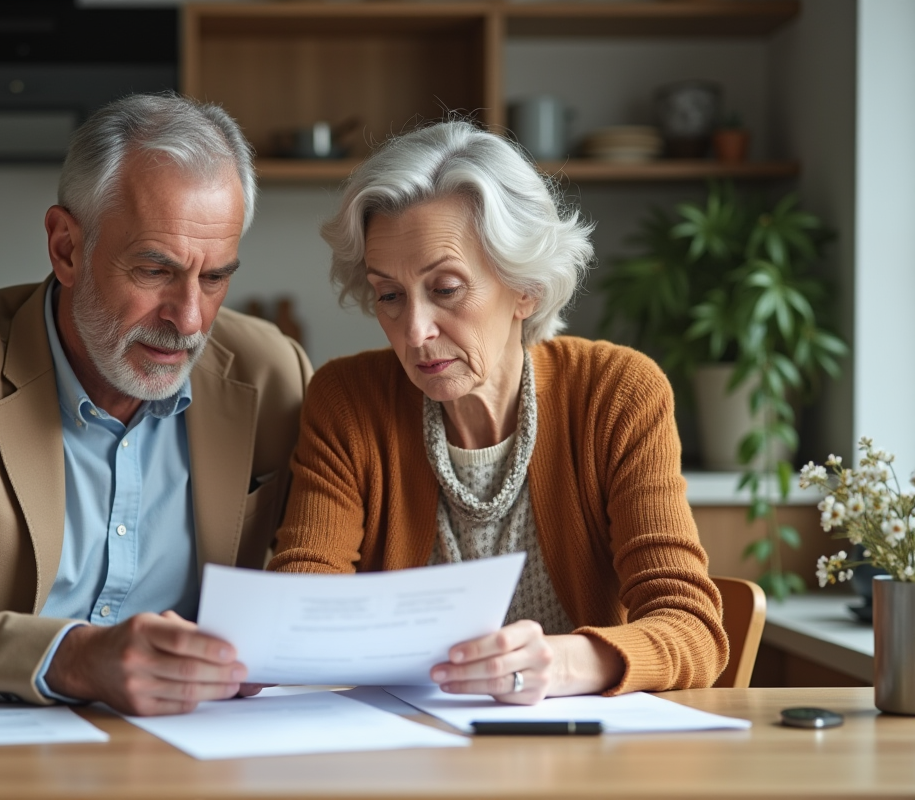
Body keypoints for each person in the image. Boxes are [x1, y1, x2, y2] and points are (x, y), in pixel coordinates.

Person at [0, 94, 312, 716]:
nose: (189, 319)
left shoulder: (275, 374)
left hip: (201, 751)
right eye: (155, 271)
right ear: (66, 248)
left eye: (214, 277)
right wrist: (75, 658)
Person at [269, 121, 728, 704]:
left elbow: (693, 629)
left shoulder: (616, 393)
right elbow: (301, 607)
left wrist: (558, 665)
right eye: (389, 295)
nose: (413, 331)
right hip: (406, 753)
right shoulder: (348, 400)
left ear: (525, 288)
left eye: (446, 288)